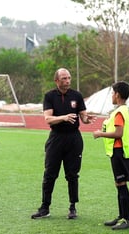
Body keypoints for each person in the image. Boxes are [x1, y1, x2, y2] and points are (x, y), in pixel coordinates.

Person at [31, 68, 96, 220]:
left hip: (74, 139)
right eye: (64, 79)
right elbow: (48, 119)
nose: (67, 81)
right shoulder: (49, 96)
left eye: (69, 78)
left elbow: (83, 117)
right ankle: (45, 207)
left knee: (72, 175)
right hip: (56, 139)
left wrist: (87, 119)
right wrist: (63, 117)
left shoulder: (77, 95)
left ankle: (73, 207)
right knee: (50, 174)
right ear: (57, 81)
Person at [93, 81, 129, 230]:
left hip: (119, 152)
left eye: (112, 93)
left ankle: (127, 219)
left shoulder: (119, 112)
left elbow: (118, 133)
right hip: (117, 152)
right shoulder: (120, 110)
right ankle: (122, 216)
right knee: (119, 184)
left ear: (117, 95)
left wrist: (100, 134)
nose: (112, 95)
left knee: (121, 185)